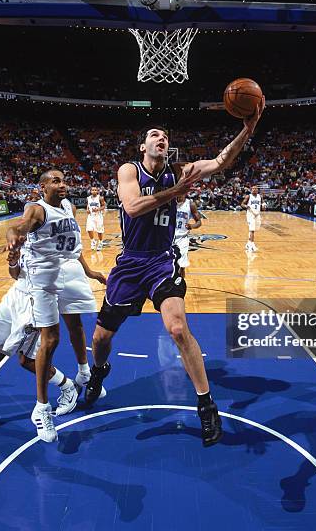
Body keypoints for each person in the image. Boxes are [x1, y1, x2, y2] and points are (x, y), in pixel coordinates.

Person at [85, 101, 265, 447]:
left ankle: (206, 403)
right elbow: (133, 208)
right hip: (130, 264)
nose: (161, 138)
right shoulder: (129, 171)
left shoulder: (181, 170)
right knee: (100, 340)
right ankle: (98, 373)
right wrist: (175, 193)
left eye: (165, 135)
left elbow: (221, 161)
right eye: (154, 134)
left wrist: (248, 128)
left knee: (178, 328)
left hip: (161, 262)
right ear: (143, 146)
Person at [0, 246, 106, 435]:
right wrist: (13, 260)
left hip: (35, 301)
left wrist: (89, 273)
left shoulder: (52, 229)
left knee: (26, 360)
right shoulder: (25, 232)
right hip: (13, 297)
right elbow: (15, 273)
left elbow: (73, 249)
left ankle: (66, 387)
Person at [6, 169, 104, 442]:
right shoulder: (37, 209)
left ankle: (84, 374)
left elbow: (73, 246)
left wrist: (89, 272)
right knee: (49, 341)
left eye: (64, 180)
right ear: (43, 186)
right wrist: (12, 235)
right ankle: (42, 407)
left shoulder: (69, 207)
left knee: (76, 325)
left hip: (68, 270)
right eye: (56, 181)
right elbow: (19, 226)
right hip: (43, 277)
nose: (63, 184)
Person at [173, 194, 202, 278]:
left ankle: (181, 286)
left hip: (182, 238)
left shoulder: (190, 204)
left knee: (182, 265)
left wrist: (192, 226)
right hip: (168, 237)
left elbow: (199, 222)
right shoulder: (170, 202)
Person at [241, 185, 263, 252]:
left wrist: (264, 205)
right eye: (253, 189)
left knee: (254, 229)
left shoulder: (260, 196)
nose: (254, 190)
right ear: (251, 190)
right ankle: (252, 245)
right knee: (252, 229)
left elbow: (262, 203)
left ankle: (248, 243)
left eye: (256, 189)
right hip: (250, 214)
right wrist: (246, 206)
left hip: (257, 214)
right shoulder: (248, 196)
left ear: (257, 190)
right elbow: (242, 204)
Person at [86, 186, 106, 251]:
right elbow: (88, 205)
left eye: (95, 190)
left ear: (97, 191)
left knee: (99, 230)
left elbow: (103, 206)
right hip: (91, 216)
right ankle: (93, 241)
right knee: (89, 229)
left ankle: (100, 242)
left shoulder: (100, 198)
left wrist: (98, 209)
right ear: (90, 191)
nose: (94, 191)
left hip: (98, 216)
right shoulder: (88, 198)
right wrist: (87, 210)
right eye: (92, 190)